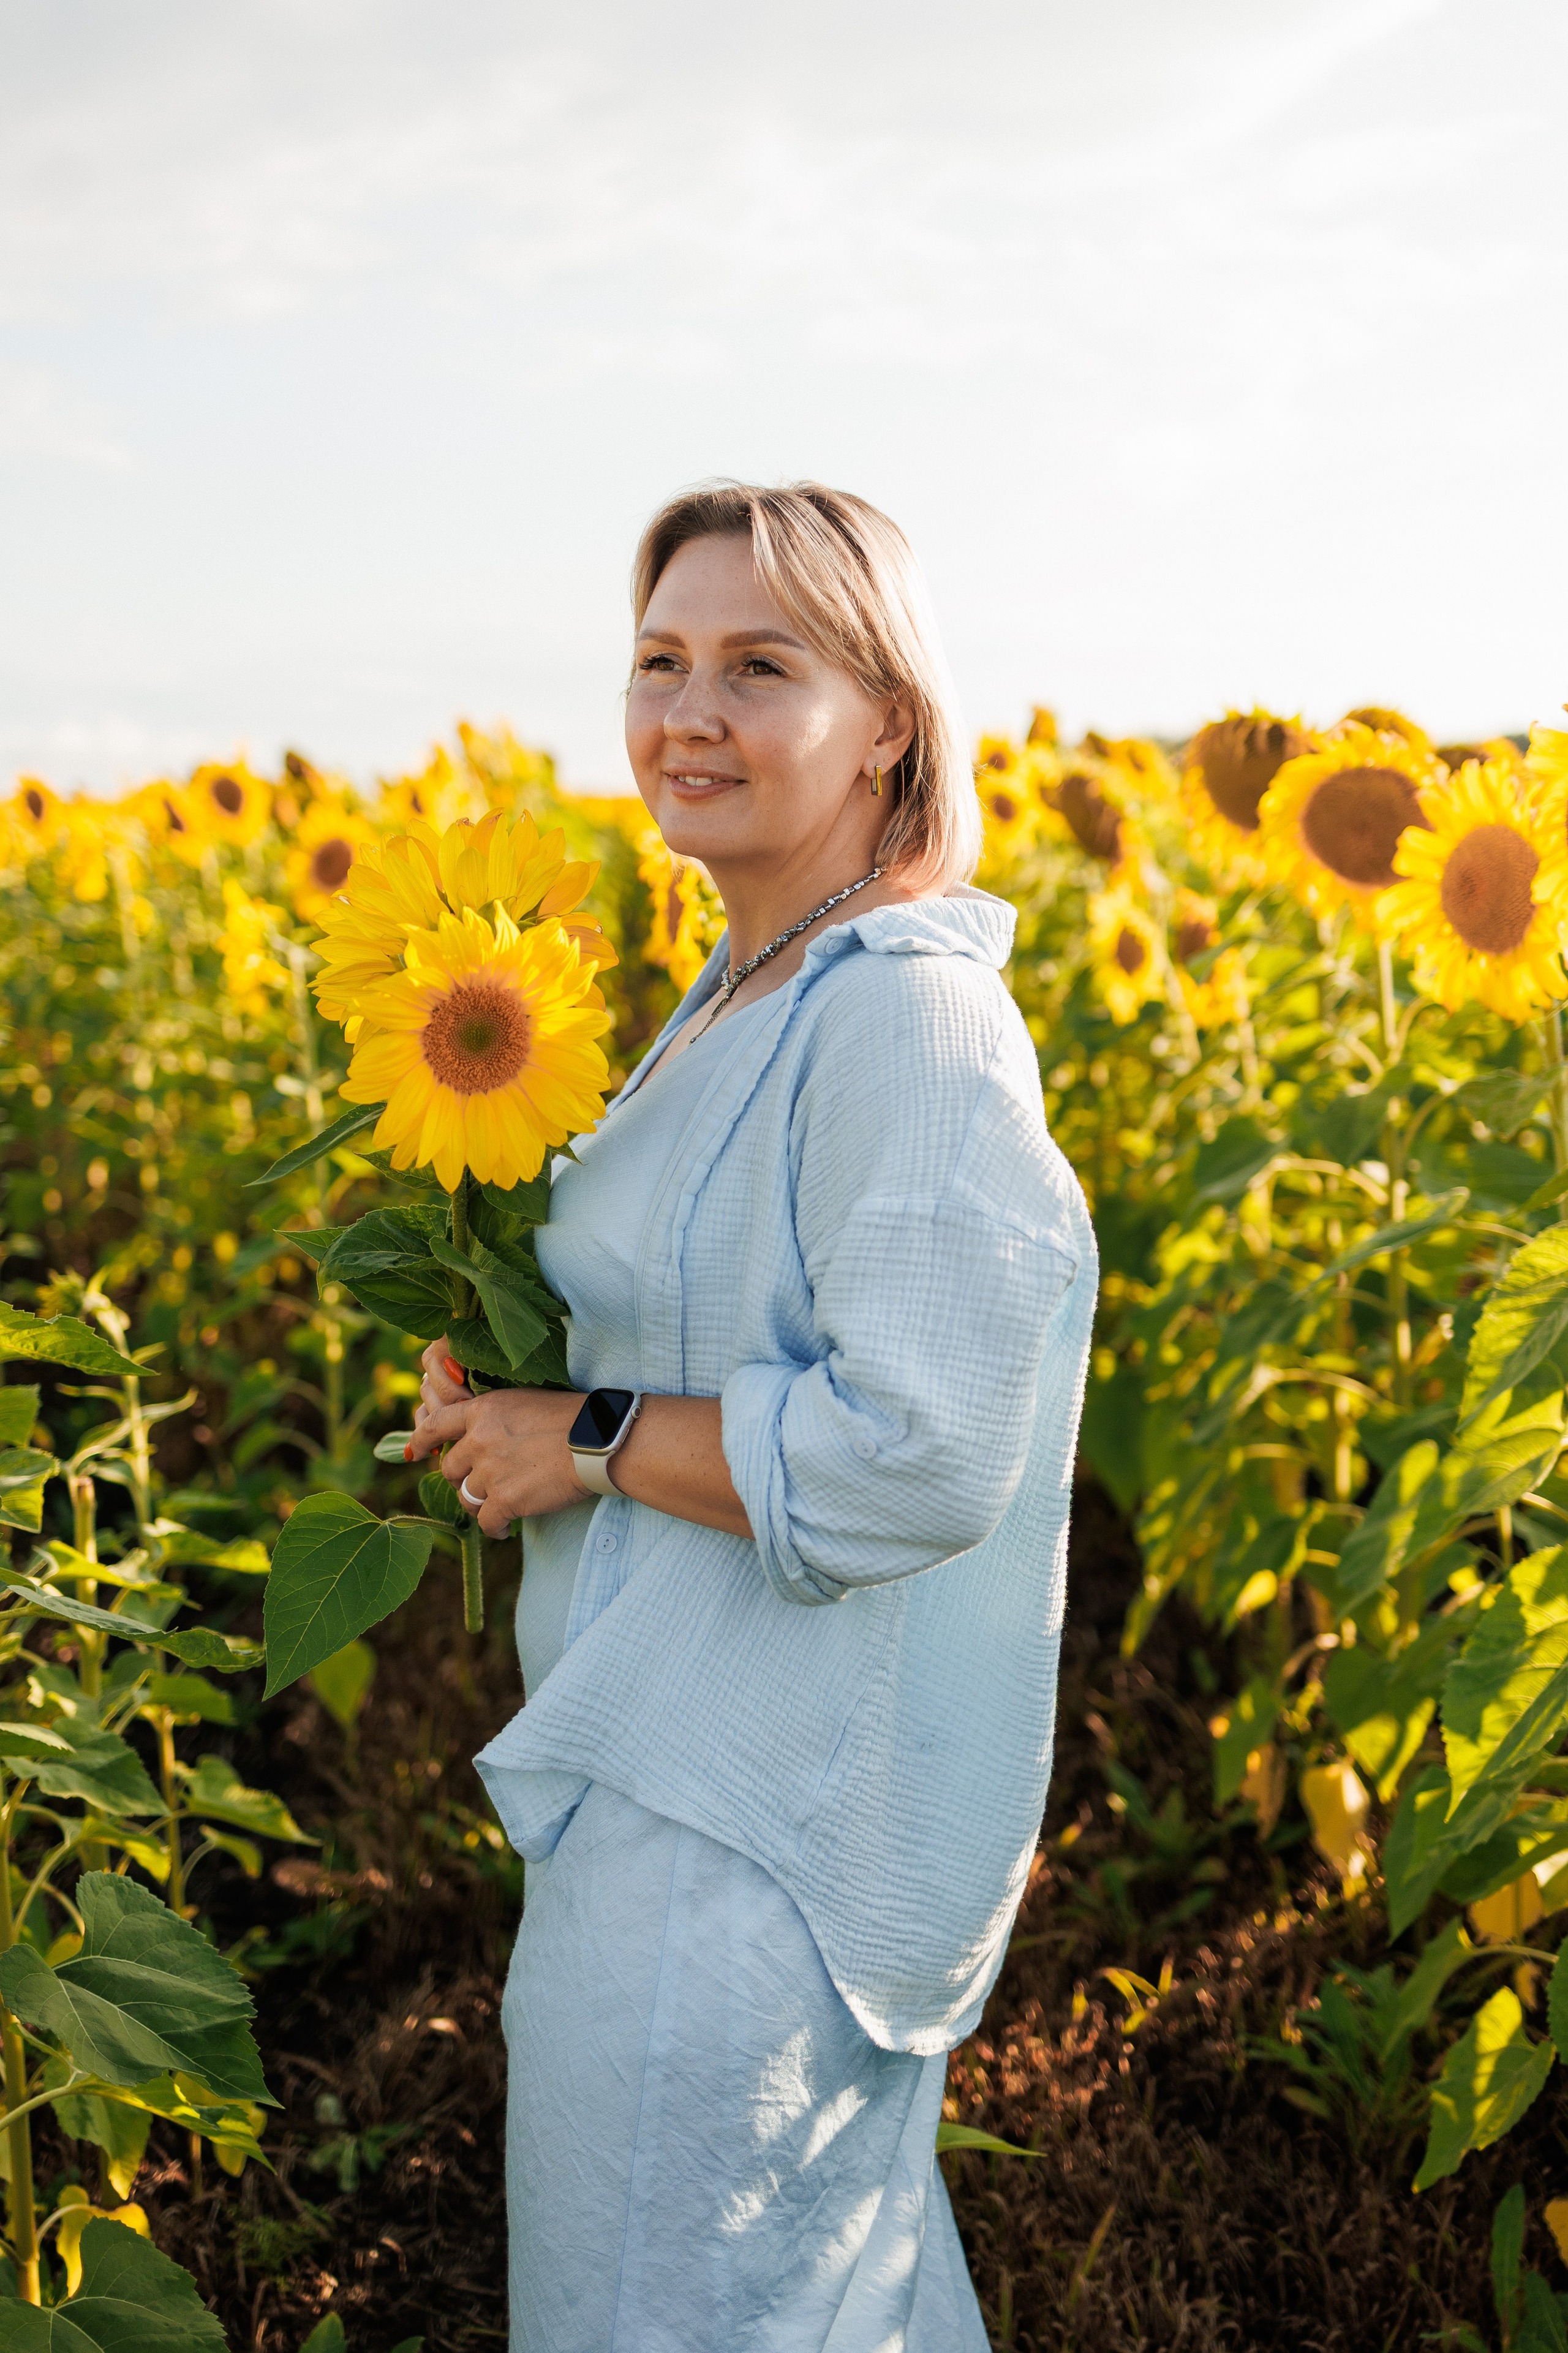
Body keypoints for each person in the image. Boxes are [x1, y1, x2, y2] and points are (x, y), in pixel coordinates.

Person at [407, 481, 1097, 2350]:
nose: (688, 712)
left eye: (760, 666)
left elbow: (923, 1443)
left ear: (891, 718)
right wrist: (516, 1399)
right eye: (660, 660)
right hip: (671, 1766)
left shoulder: (906, 1021)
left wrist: (601, 1432)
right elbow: (705, 1327)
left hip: (755, 1835)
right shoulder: (739, 991)